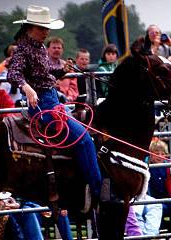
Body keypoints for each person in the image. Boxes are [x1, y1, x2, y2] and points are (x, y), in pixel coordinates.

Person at [7, 5, 102, 201]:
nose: (47, 32)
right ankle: (99, 192)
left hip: (52, 99)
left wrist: (62, 71)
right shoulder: (22, 50)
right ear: (30, 28)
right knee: (84, 140)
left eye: (47, 28)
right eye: (42, 28)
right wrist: (27, 88)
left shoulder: (39, 48)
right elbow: (13, 74)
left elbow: (45, 73)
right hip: (43, 105)